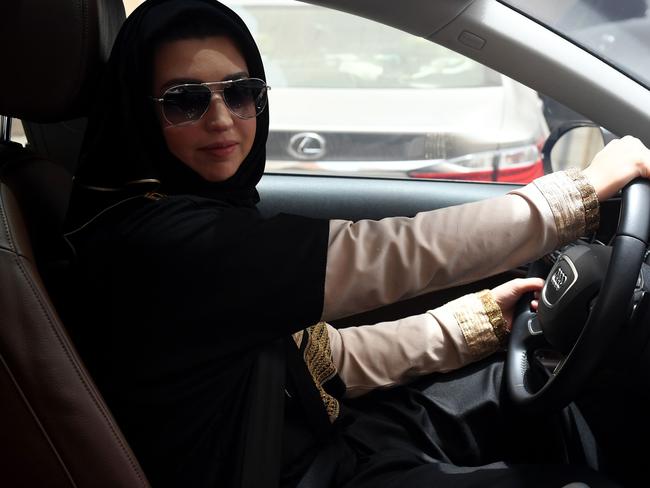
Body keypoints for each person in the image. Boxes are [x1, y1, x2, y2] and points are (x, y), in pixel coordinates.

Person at [63, 0, 650, 487]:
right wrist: (580, 192)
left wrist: (473, 323)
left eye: (240, 92)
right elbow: (389, 253)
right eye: (186, 100)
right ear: (139, 115)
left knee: (528, 401)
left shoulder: (185, 215)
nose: (222, 119)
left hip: (318, 430)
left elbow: (321, 358)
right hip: (287, 469)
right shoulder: (160, 244)